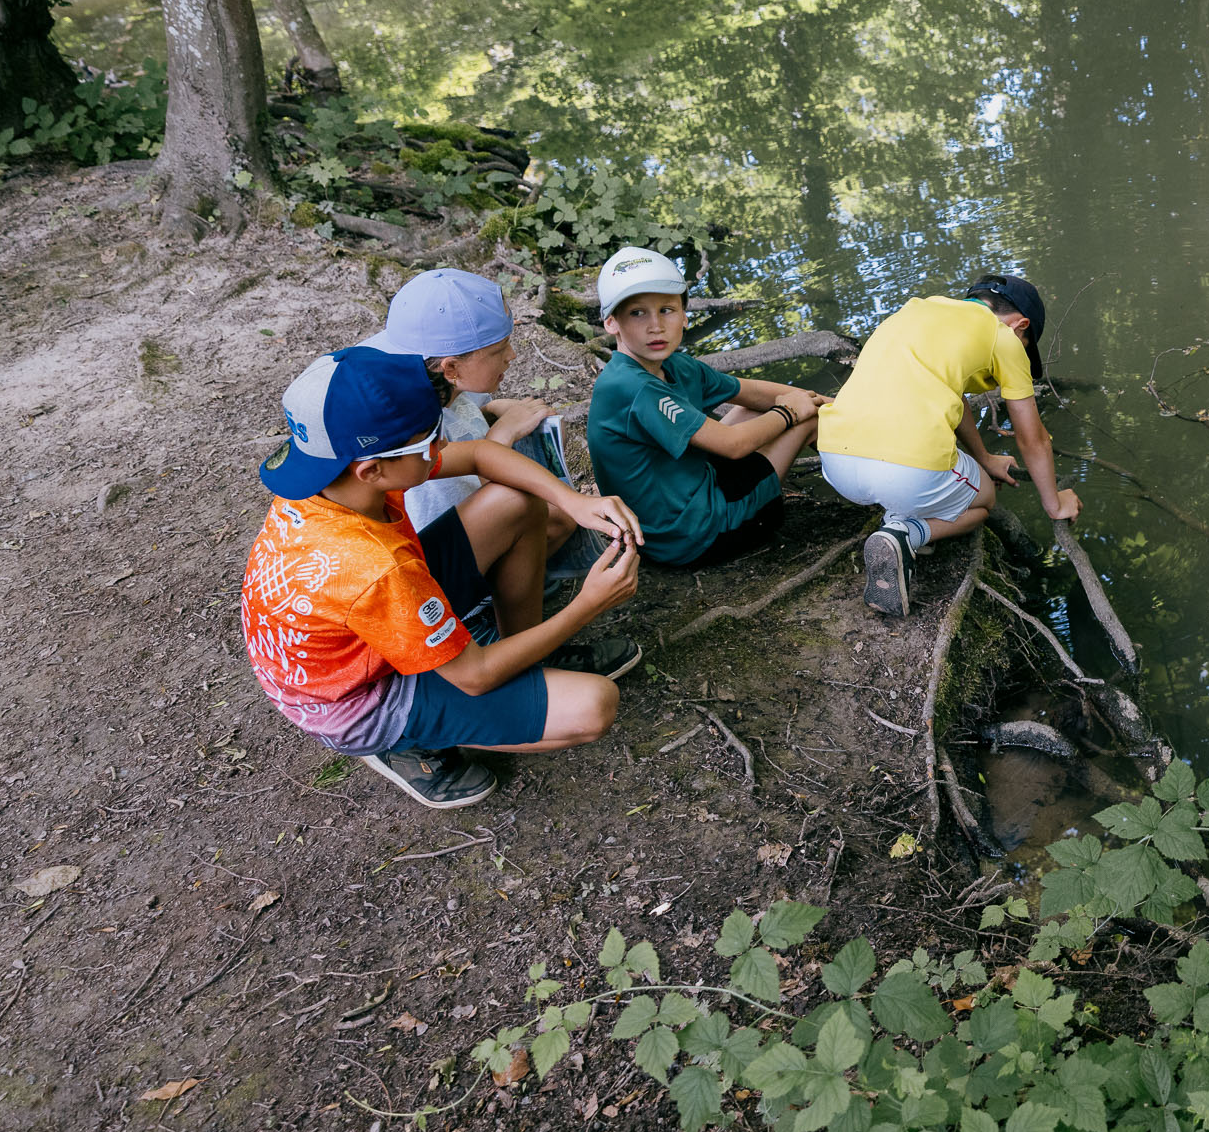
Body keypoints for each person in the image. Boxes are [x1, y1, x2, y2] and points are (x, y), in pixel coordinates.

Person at [242, 347, 647, 810]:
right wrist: (586, 606)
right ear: (373, 470)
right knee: (594, 705)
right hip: (361, 699)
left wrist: (573, 502)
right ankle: (399, 744)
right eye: (429, 441)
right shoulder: (373, 565)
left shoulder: (333, 474)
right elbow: (473, 677)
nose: (439, 448)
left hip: (364, 627)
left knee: (516, 501)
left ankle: (524, 658)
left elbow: (478, 454)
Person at [364, 267, 631, 673]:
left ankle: (514, 595)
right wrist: (500, 436)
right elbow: (479, 503)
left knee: (554, 515)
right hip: (414, 577)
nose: (513, 356)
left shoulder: (422, 380)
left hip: (414, 555)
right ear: (450, 368)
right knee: (528, 505)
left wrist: (489, 411)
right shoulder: (413, 438)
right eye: (501, 349)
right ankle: (510, 642)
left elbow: (464, 420)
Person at [815, 272, 1079, 618]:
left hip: (835, 461)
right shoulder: (1005, 338)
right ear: (1020, 325)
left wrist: (983, 457)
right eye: (1026, 344)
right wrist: (1055, 504)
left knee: (915, 474)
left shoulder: (914, 311)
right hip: (906, 473)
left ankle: (900, 517)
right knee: (983, 501)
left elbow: (956, 402)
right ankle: (906, 532)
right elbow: (1032, 437)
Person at [586, 247, 828, 568]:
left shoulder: (675, 365)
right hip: (690, 536)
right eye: (637, 313)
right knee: (805, 421)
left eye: (667, 310)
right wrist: (792, 412)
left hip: (688, 493)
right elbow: (733, 444)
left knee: (776, 410)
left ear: (685, 316)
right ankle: (882, 493)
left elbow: (752, 392)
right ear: (611, 323)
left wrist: (828, 403)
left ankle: (864, 447)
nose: (656, 325)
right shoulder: (634, 387)